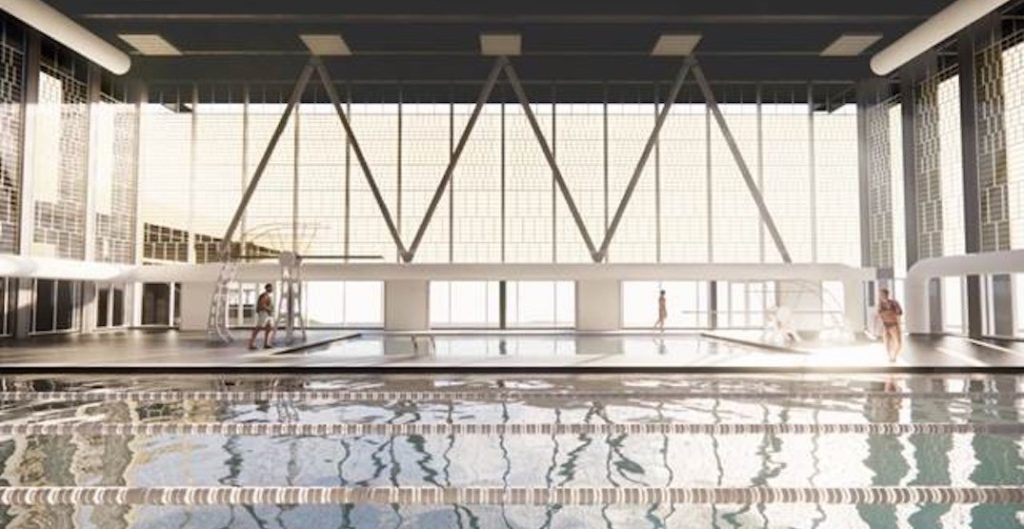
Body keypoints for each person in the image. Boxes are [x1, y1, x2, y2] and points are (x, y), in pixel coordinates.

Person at [877, 288, 903, 362]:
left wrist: (899, 326)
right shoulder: (880, 304)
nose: (880, 296)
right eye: (880, 295)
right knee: (886, 342)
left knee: (897, 342)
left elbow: (899, 314)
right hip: (885, 325)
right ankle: (890, 357)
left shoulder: (894, 303)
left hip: (893, 324)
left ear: (886, 294)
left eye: (882, 294)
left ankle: (894, 356)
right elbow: (880, 315)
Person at [248, 283, 275, 350]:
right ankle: (251, 344)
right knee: (258, 328)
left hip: (268, 314)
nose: (272, 289)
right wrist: (269, 309)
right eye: (271, 288)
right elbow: (262, 305)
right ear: (267, 288)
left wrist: (270, 310)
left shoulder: (268, 296)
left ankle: (266, 343)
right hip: (264, 313)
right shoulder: (264, 295)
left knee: (269, 328)